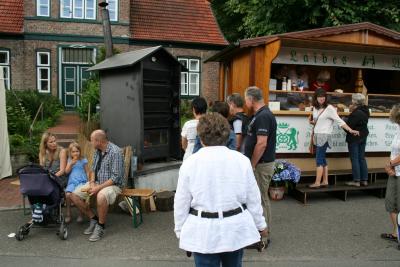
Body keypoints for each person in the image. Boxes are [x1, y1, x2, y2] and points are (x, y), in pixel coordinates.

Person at [174, 113, 267, 266]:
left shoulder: (190, 163)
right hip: (234, 229)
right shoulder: (241, 161)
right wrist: (260, 225)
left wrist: (180, 230)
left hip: (202, 230)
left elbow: (181, 201)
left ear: (201, 137)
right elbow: (253, 198)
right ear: (226, 135)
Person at [70, 129, 124, 242]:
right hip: (97, 183)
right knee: (73, 195)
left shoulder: (115, 152)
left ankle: (101, 226)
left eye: (92, 140)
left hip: (113, 185)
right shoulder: (97, 151)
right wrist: (93, 183)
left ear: (98, 141)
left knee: (101, 196)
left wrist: (98, 188)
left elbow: (115, 177)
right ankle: (93, 218)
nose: (90, 143)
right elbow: (93, 170)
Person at [308, 89, 359, 188]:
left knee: (319, 159)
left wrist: (350, 130)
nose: (321, 98)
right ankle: (325, 181)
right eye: (319, 96)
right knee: (322, 158)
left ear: (326, 97)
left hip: (324, 136)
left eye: (323, 96)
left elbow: (339, 121)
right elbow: (318, 122)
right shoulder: (315, 108)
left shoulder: (330, 108)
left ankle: (317, 182)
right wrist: (312, 122)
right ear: (316, 97)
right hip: (317, 135)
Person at [244, 86, 276, 234]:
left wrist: (252, 164)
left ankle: (264, 234)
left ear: (251, 99)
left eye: (246, 99)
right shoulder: (260, 114)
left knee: (261, 199)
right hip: (260, 164)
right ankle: (259, 232)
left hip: (261, 165)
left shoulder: (263, 116)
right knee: (257, 198)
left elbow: (261, 143)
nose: (245, 102)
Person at [381, 104, 400, 244]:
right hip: (395, 171)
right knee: (391, 203)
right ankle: (396, 233)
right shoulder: (398, 129)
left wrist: (390, 164)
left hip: (397, 169)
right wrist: (391, 167)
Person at [345, 93, 370, 187]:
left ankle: (356, 180)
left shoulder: (356, 113)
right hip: (363, 135)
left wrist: (343, 120)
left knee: (354, 158)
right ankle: (364, 180)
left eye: (352, 99)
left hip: (355, 137)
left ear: (354, 101)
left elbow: (349, 127)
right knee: (361, 158)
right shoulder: (365, 110)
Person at [64, 142, 90, 223]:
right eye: (73, 152)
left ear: (80, 151)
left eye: (77, 151)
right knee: (67, 195)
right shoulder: (70, 160)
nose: (75, 153)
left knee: (79, 196)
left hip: (82, 182)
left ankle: (81, 214)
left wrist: (89, 181)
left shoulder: (83, 160)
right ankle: (68, 213)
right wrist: (71, 164)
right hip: (72, 182)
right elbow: (66, 171)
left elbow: (87, 171)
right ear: (70, 153)